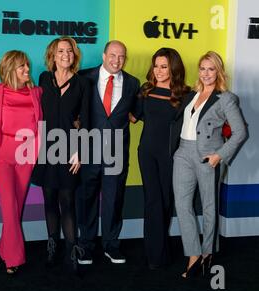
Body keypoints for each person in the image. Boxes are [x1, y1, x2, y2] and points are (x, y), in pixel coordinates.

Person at [171, 51, 247, 278]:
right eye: (202, 68)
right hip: (183, 153)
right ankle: (193, 254)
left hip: (208, 157)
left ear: (219, 71)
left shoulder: (226, 98)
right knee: (183, 205)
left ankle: (207, 254)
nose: (206, 73)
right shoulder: (192, 94)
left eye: (211, 69)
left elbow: (240, 132)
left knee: (208, 206)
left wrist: (219, 156)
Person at [77, 40, 140, 265]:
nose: (116, 60)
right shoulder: (84, 78)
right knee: (86, 199)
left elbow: (135, 114)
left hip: (117, 154)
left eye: (121, 56)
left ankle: (111, 245)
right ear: (104, 56)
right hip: (88, 150)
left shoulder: (133, 83)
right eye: (112, 55)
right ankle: (85, 245)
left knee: (114, 200)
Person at [31, 36, 89, 272]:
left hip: (69, 149)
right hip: (46, 148)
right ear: (52, 55)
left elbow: (86, 119)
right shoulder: (44, 79)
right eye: (61, 51)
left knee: (67, 201)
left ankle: (72, 251)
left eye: (69, 51)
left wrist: (81, 152)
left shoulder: (82, 83)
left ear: (74, 56)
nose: (65, 55)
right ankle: (52, 245)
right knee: (49, 200)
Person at [131, 48, 190, 270]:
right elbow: (132, 117)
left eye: (164, 66)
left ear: (173, 68)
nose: (159, 70)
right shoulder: (145, 91)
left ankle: (160, 248)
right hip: (146, 152)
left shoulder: (185, 94)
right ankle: (154, 255)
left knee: (165, 202)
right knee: (152, 201)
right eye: (156, 65)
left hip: (171, 155)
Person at [0, 50, 42, 275]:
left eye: (27, 65)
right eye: (22, 67)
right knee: (9, 207)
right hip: (3, 156)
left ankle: (5, 248)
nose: (27, 70)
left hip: (26, 156)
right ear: (10, 69)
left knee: (16, 208)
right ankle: (13, 258)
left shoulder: (37, 92)